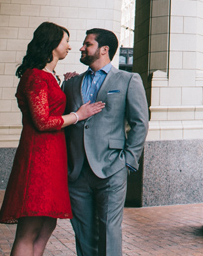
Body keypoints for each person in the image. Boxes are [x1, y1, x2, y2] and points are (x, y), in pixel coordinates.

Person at [0, 22, 105, 256]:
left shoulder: (50, 77)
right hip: (39, 158)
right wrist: (79, 115)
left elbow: (53, 106)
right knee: (30, 228)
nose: (69, 46)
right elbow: (43, 121)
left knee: (47, 224)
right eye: (65, 41)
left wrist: (67, 84)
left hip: (53, 157)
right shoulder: (35, 77)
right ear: (52, 43)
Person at [63, 28, 148, 256]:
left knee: (109, 230)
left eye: (87, 44)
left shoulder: (128, 80)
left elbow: (140, 122)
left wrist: (128, 161)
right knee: (83, 232)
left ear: (104, 49)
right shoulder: (71, 84)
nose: (81, 48)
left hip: (112, 168)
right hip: (77, 172)